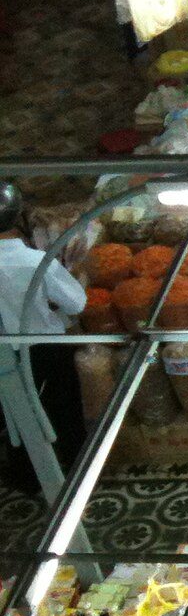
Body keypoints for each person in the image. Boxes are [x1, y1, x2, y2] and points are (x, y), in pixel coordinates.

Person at [0, 183, 85, 493]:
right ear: (19, 218)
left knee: (16, 413)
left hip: (4, 355)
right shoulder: (36, 261)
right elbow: (76, 303)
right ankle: (78, 469)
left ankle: (27, 478)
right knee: (63, 409)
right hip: (47, 348)